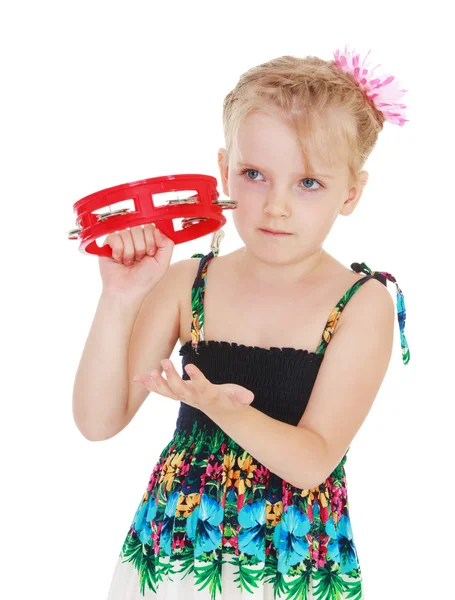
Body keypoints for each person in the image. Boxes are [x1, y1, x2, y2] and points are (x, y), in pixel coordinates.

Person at [72, 45, 411, 599]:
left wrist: (216, 408)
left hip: (288, 565)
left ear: (351, 191)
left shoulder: (361, 302)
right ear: (224, 170)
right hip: (178, 553)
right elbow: (97, 419)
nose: (277, 205)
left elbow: (312, 461)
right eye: (255, 174)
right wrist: (120, 297)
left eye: (308, 183)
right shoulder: (188, 283)